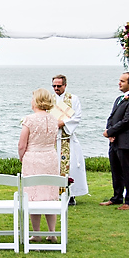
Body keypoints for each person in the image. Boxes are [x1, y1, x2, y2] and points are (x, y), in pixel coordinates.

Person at [19, 88, 62, 241]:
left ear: (36, 101)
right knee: (50, 195)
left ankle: (36, 233)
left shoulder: (29, 120)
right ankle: (52, 232)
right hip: (50, 157)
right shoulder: (54, 120)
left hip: (33, 158)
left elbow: (22, 144)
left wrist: (22, 157)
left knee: (33, 195)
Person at [101, 72, 129, 210]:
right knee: (116, 170)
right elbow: (112, 118)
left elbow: (127, 121)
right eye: (119, 80)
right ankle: (117, 197)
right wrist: (109, 132)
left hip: (126, 141)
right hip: (115, 141)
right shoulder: (119, 98)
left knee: (128, 171)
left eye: (123, 81)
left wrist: (111, 132)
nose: (119, 83)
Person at [52, 75, 88, 206]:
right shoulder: (49, 99)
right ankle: (54, 193)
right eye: (54, 86)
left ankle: (71, 194)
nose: (56, 88)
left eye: (59, 86)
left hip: (67, 137)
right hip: (53, 139)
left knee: (71, 166)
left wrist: (62, 122)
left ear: (65, 85)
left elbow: (77, 116)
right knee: (54, 166)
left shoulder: (73, 99)